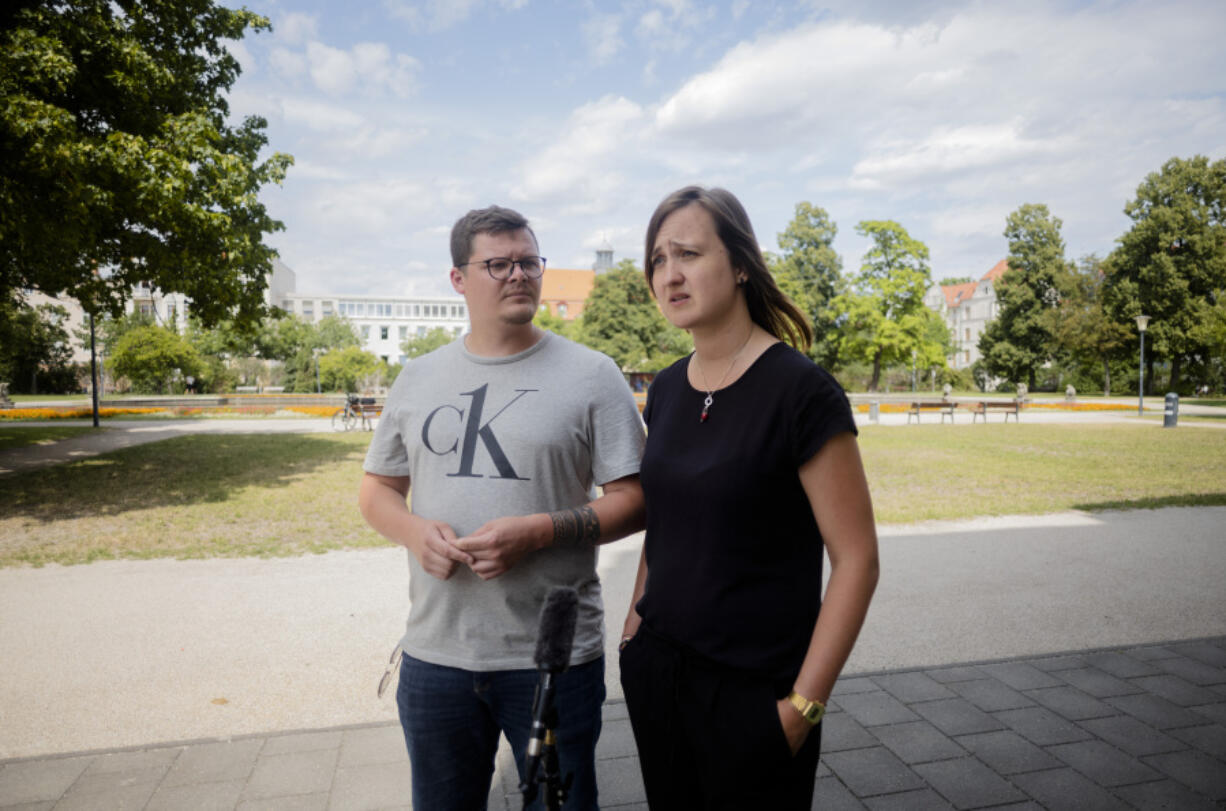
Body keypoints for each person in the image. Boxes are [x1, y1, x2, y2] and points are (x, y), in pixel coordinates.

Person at [359, 205, 646, 810]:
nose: (519, 275)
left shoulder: (592, 375)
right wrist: (414, 533)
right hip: (436, 653)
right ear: (459, 279)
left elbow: (637, 500)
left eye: (529, 262)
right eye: (498, 264)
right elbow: (377, 492)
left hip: (552, 660)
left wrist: (542, 530)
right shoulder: (418, 377)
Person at [619, 186, 880, 809]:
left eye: (688, 253)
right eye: (657, 259)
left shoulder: (801, 392)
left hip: (755, 695)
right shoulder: (667, 392)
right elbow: (668, 523)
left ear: (740, 264)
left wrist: (803, 708)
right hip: (659, 675)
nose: (670, 274)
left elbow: (857, 560)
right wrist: (633, 634)